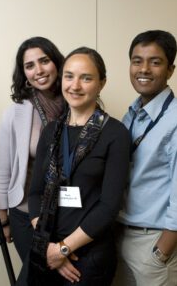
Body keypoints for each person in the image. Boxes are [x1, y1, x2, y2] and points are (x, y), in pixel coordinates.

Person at [27, 47, 130, 285]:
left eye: (86, 78)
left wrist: (63, 250)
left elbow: (109, 206)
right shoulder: (51, 131)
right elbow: (35, 194)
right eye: (69, 76)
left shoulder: (115, 133)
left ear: (101, 83)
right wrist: (48, 247)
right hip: (46, 249)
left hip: (89, 258)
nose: (75, 86)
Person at [113, 30, 177, 286]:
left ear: (171, 69)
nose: (144, 69)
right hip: (121, 235)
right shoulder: (131, 115)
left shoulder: (175, 119)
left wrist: (162, 251)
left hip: (154, 243)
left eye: (155, 61)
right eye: (137, 60)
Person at [0, 36, 65, 262]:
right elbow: (3, 170)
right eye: (29, 65)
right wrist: (4, 220)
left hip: (69, 216)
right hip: (25, 216)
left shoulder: (76, 101)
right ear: (23, 73)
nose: (39, 70)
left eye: (44, 61)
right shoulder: (15, 113)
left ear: (56, 63)